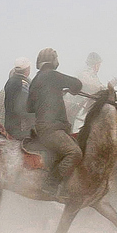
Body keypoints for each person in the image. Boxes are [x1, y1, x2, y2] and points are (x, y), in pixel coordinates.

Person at [27, 48, 84, 196]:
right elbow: (77, 84)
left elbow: (29, 107)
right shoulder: (53, 75)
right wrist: (63, 89)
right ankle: (51, 185)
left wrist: (53, 93)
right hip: (52, 129)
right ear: (53, 61)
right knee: (75, 152)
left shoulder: (35, 80)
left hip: (42, 128)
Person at [2, 57, 34, 140]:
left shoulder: (10, 81)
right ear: (27, 69)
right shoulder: (23, 84)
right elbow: (24, 105)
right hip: (19, 127)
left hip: (9, 124)